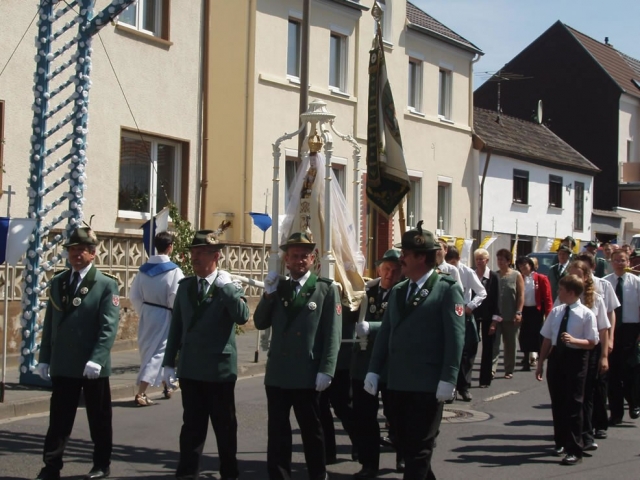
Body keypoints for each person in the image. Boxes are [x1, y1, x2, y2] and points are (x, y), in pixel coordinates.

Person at [365, 221, 465, 480]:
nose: (401, 260)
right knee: (406, 446)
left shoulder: (446, 290)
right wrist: (374, 370)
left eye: (406, 254)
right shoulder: (398, 291)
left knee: (420, 450)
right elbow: (386, 333)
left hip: (427, 385)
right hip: (397, 383)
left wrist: (449, 377)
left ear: (421, 257)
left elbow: (455, 338)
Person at [254, 232, 342, 480]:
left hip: (307, 373)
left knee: (311, 430)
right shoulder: (279, 287)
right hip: (279, 373)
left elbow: (332, 335)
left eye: (305, 256)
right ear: (286, 260)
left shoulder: (324, 289)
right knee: (278, 431)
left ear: (313, 259)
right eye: (295, 256)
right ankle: (279, 475)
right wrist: (268, 295)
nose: (300, 260)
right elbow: (260, 322)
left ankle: (317, 473)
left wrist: (327, 369)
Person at [162, 230, 249, 480]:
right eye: (193, 253)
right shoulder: (186, 286)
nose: (195, 258)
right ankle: (187, 472)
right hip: (191, 368)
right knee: (192, 426)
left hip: (219, 369)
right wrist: (169, 363)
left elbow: (242, 316)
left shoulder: (228, 285)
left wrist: (228, 290)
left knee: (225, 427)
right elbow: (176, 326)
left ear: (216, 256)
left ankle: (229, 472)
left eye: (201, 253)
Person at [35, 227, 121, 480]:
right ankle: (51, 466)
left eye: (81, 250)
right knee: (59, 421)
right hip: (64, 363)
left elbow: (108, 326)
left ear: (93, 254)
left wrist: (98, 358)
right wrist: (44, 358)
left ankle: (101, 464)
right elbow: (51, 322)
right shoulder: (59, 281)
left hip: (91, 364)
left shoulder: (105, 284)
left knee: (99, 418)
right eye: (72, 250)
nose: (75, 254)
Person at [350, 249, 403, 479]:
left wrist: (372, 327)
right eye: (386, 268)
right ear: (379, 268)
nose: (390, 273)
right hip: (365, 361)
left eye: (395, 269)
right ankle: (369, 463)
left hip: (391, 365)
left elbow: (398, 325)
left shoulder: (403, 293)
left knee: (397, 414)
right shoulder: (368, 290)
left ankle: (403, 456)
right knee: (365, 416)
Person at [536, 275, 599, 466]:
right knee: (558, 402)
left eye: (561, 290)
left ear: (571, 292)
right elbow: (547, 338)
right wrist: (540, 363)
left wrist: (574, 340)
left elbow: (592, 342)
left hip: (576, 358)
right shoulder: (556, 312)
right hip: (557, 358)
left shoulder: (586, 314)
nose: (558, 293)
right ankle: (560, 441)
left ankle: (575, 449)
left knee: (574, 404)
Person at [130, 231, 184, 406]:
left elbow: (134, 295)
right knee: (159, 352)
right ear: (170, 247)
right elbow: (176, 296)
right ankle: (141, 392)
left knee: (149, 350)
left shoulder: (143, 270)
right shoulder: (174, 270)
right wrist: (175, 314)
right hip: (164, 314)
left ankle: (167, 385)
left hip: (147, 313)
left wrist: (143, 310)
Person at [566, 260, 610, 452]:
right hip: (570, 352)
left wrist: (604, 356)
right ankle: (570, 434)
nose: (575, 279)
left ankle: (587, 434)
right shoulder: (565, 298)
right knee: (572, 395)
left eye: (578, 275)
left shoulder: (596, 299)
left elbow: (603, 329)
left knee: (587, 394)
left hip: (591, 352)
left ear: (585, 277)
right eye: (571, 275)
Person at [574, 252, 619, 440]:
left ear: (591, 268)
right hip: (579, 344)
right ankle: (584, 427)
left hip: (598, 340)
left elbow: (610, 314)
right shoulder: (572, 287)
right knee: (582, 389)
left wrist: (610, 340)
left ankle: (600, 424)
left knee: (599, 386)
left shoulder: (604, 285)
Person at [445, 246, 486, 401]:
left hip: (464, 313)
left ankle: (464, 387)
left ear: (458, 260)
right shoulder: (442, 271)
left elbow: (482, 292)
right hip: (448, 313)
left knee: (467, 352)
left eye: (454, 263)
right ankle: (451, 387)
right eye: (449, 263)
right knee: (451, 351)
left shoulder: (467, 272)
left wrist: (471, 305)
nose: (452, 267)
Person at [604, 250, 640, 425]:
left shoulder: (636, 282)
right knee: (613, 374)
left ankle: (634, 403)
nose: (620, 263)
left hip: (631, 330)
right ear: (611, 262)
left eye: (623, 260)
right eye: (616, 260)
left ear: (628, 262)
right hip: (611, 330)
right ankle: (616, 413)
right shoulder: (605, 283)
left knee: (630, 371)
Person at [320, 306, 357, 466]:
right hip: (318, 358)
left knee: (343, 406)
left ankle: (359, 443)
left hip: (341, 357)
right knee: (320, 408)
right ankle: (328, 452)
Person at [515, 256, 552, 371]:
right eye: (520, 266)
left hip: (536, 310)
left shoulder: (541, 278)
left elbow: (547, 298)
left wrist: (549, 314)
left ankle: (539, 359)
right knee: (524, 335)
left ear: (530, 265)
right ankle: (525, 360)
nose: (523, 268)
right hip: (524, 310)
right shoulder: (519, 278)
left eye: (524, 265)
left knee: (537, 335)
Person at [492, 249, 524, 380]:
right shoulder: (495, 275)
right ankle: (492, 369)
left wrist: (519, 312)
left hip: (511, 315)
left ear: (508, 261)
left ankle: (509, 369)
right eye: (498, 259)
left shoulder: (516, 275)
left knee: (510, 344)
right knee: (494, 344)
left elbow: (521, 295)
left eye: (502, 260)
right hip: (497, 316)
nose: (500, 262)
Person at [472, 248, 501, 388]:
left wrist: (494, 322)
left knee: (488, 347)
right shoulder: (471, 274)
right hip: (473, 314)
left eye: (481, 259)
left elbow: (497, 300)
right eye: (477, 259)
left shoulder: (493, 277)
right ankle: (466, 379)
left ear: (487, 261)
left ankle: (485, 379)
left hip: (489, 316)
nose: (479, 261)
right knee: (471, 346)